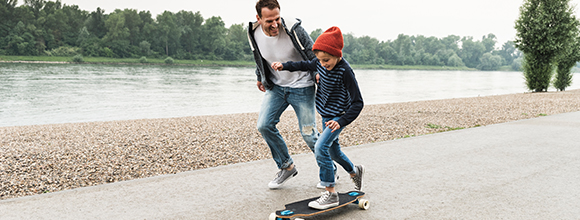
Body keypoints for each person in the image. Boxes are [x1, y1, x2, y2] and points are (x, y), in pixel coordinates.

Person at [271, 26, 365, 210]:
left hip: (337, 117)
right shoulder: (319, 63)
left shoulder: (345, 71)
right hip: (325, 114)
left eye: (326, 60)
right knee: (333, 152)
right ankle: (355, 171)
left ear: (337, 54)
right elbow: (304, 65)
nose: (322, 64)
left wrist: (340, 121)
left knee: (320, 147)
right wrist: (285, 66)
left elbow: (358, 103)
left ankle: (330, 193)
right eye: (320, 60)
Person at [247, 0, 319, 189]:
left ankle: (329, 171)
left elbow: (312, 53)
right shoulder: (253, 33)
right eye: (269, 20)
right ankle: (286, 167)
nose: (275, 24)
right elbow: (259, 56)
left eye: (277, 19)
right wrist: (259, 76)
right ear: (258, 18)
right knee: (264, 125)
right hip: (276, 87)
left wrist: (319, 73)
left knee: (309, 134)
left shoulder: (293, 28)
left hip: (302, 86)